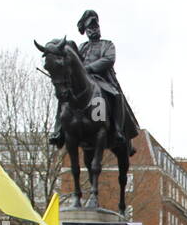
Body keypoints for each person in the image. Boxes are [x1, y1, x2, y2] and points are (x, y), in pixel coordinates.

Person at [49, 9, 139, 150]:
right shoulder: (81, 47)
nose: (94, 29)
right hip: (83, 83)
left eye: (95, 26)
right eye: (90, 27)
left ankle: (117, 130)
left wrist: (88, 69)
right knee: (64, 97)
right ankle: (58, 131)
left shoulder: (107, 44)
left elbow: (109, 60)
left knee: (116, 96)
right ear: (86, 30)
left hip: (102, 80)